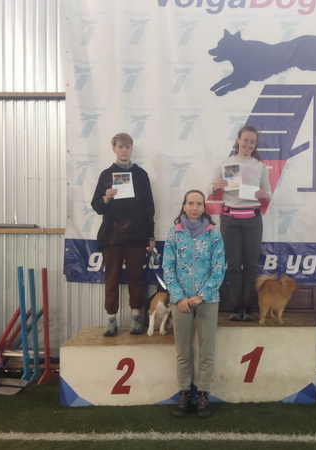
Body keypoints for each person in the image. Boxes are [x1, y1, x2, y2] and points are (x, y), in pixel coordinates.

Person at [162, 190, 225, 419]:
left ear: (204, 207)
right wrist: (179, 296)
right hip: (180, 302)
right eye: (191, 203)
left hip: (207, 301)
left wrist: (202, 295)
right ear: (184, 206)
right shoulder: (174, 234)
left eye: (199, 204)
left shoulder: (214, 235)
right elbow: (168, 268)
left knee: (207, 350)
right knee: (183, 350)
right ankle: (184, 394)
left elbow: (219, 268)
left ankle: (203, 395)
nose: (195, 207)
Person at [91, 133, 155, 337]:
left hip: (137, 237)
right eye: (120, 146)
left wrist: (151, 236)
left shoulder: (141, 175)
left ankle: (136, 317)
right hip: (112, 238)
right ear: (114, 149)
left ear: (132, 149)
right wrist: (106, 198)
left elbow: (149, 207)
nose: (124, 150)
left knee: (136, 278)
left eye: (127, 147)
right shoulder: (106, 175)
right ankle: (111, 319)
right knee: (111, 279)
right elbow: (97, 206)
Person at [210, 125, 271, 321]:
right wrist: (215, 186)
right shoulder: (226, 163)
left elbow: (268, 193)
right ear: (238, 140)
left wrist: (264, 194)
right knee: (234, 264)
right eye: (245, 140)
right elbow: (211, 189)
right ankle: (236, 306)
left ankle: (248, 306)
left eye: (252, 142)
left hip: (252, 219)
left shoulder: (259, 166)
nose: (248, 144)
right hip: (230, 220)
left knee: (251, 264)